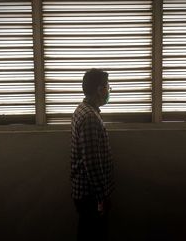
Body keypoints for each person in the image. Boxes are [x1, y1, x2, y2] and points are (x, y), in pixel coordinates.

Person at [71, 68, 115, 241]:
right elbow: (92, 163)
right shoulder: (90, 118)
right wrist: (102, 197)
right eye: (108, 86)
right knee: (92, 235)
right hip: (90, 195)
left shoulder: (83, 110)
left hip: (86, 193)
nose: (110, 91)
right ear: (99, 89)